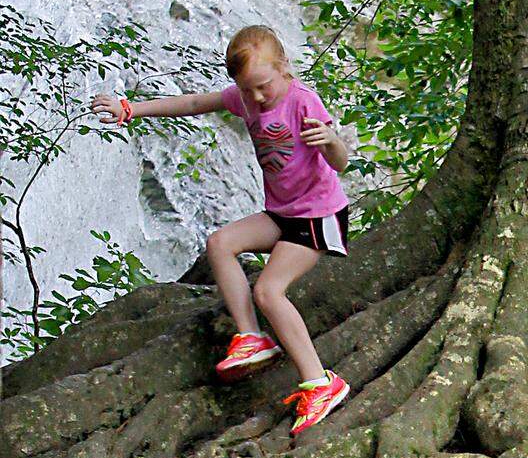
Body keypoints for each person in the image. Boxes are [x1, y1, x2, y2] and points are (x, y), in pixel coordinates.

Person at [91, 24, 351, 436]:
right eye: (247, 90)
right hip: (282, 212)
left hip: (317, 218)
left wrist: (331, 141)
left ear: (283, 67)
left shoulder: (303, 101)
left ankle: (321, 382)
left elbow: (340, 163)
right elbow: (194, 101)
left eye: (263, 86)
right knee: (221, 243)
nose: (257, 97)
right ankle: (252, 338)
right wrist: (131, 109)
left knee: (269, 290)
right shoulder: (245, 99)